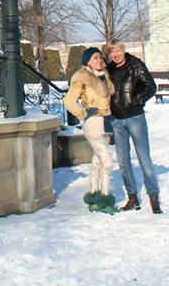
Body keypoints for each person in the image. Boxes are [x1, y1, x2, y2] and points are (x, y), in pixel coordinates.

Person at [106, 41, 162, 214]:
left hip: (135, 118)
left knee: (144, 160)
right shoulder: (109, 70)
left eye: (118, 51)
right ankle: (133, 198)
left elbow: (151, 86)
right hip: (117, 121)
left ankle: (153, 197)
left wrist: (137, 100)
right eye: (112, 52)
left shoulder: (136, 65)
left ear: (123, 51)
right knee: (123, 162)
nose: (115, 54)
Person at [63, 47, 118, 215]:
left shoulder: (104, 76)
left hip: (106, 122)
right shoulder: (83, 77)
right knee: (108, 163)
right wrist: (83, 114)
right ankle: (106, 200)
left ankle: (94, 197)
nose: (99, 61)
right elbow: (69, 101)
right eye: (95, 58)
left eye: (100, 58)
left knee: (97, 162)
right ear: (87, 61)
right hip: (93, 123)